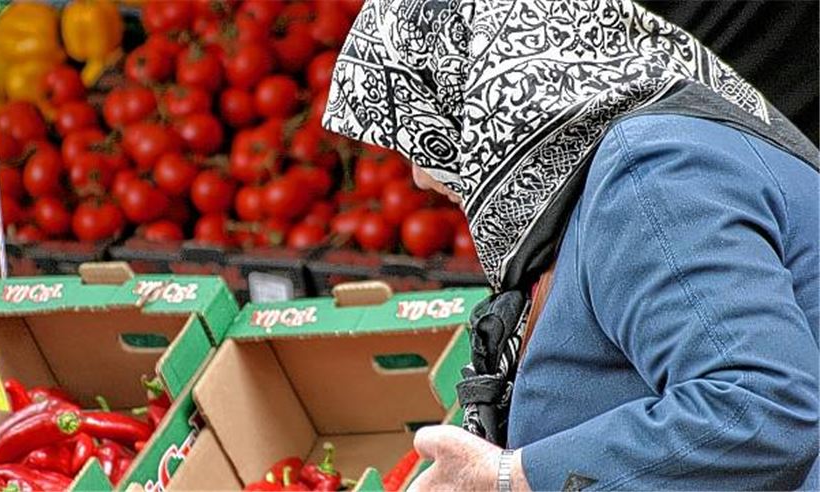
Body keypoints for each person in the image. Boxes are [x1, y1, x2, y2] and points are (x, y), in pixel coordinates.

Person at [323, 0, 819, 490]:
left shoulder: (647, 174)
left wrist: (508, 477)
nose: (421, 177)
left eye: (425, 131)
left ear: (486, 88)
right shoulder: (620, 169)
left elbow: (760, 409)